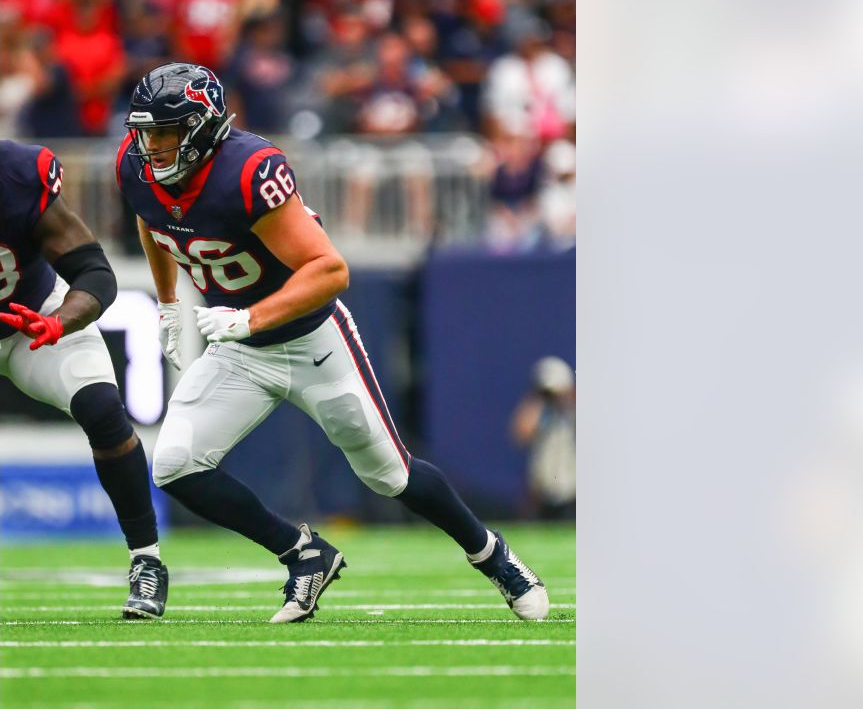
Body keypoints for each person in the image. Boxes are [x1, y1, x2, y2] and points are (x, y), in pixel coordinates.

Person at [116, 63, 549, 623]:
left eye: (165, 134)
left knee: (389, 473)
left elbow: (330, 269)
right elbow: (155, 221)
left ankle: (495, 556)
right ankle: (304, 554)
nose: (151, 147)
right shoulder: (136, 167)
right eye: (146, 133)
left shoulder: (247, 170)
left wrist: (249, 318)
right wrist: (170, 300)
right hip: (241, 350)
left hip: (311, 338)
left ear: (202, 128)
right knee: (174, 463)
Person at [0, 139, 168, 619]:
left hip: (34, 316)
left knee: (102, 410)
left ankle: (147, 561)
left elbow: (94, 271)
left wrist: (60, 321)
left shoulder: (16, 174)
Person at [511, 356, 576, 520]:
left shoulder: (573, 410)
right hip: (542, 490)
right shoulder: (540, 412)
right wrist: (540, 399)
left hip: (572, 491)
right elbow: (521, 433)